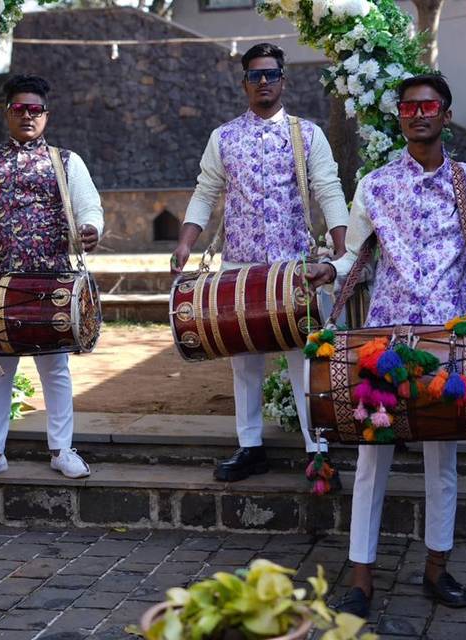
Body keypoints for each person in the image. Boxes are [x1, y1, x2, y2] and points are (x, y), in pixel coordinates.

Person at [304, 74, 466, 617]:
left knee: (441, 459)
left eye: (429, 105)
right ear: (399, 117)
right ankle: (360, 579)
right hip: (381, 342)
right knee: (371, 459)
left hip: (451, 343)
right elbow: (354, 256)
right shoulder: (375, 185)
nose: (418, 113)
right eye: (408, 106)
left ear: (446, 116)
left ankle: (436, 569)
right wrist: (324, 270)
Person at [169, 43, 349, 484]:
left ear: (283, 80)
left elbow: (328, 189)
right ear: (245, 83)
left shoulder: (307, 134)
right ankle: (249, 447)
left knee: (302, 358)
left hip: (294, 269)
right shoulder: (224, 137)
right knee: (243, 360)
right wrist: (186, 243)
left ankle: (318, 451)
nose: (263, 81)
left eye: (270, 74)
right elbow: (205, 190)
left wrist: (342, 253)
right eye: (255, 75)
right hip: (238, 268)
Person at [0, 74, 104, 485]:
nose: (28, 116)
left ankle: (62, 449)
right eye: (20, 109)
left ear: (46, 115)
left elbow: (90, 208)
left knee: (55, 368)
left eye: (36, 109)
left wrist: (91, 229)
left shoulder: (65, 161)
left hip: (51, 283)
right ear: (7, 114)